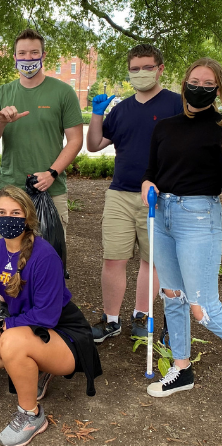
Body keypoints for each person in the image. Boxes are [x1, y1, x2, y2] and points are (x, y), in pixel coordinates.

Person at [0, 186, 101, 446]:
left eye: (15, 212)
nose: (7, 218)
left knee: (10, 340)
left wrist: (3, 325)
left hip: (64, 332)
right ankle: (35, 368)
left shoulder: (45, 255)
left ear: (28, 218)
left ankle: (31, 416)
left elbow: (47, 316)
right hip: (27, 328)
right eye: (1, 212)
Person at [0, 28, 83, 320]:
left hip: (50, 190)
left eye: (34, 52)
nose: (28, 58)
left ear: (43, 55)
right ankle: (8, 307)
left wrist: (53, 172)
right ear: (14, 57)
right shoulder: (3, 93)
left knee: (48, 255)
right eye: (22, 53)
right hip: (9, 190)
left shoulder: (62, 92)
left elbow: (75, 140)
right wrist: (1, 121)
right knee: (8, 254)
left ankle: (49, 311)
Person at [86, 44, 183, 342]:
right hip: (120, 194)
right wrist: (96, 114)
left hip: (160, 195)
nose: (141, 73)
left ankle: (142, 315)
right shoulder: (122, 109)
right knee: (113, 258)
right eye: (135, 68)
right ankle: (110, 319)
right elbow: (94, 144)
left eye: (147, 67)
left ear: (160, 68)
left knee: (151, 261)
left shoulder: (177, 105)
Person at [141, 57, 222, 397]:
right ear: (184, 82)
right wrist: (146, 185)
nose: (199, 88)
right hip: (163, 215)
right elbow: (150, 171)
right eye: (195, 81)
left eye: (208, 84)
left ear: (217, 89)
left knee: (202, 306)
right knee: (172, 296)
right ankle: (182, 368)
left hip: (199, 216)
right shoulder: (165, 127)